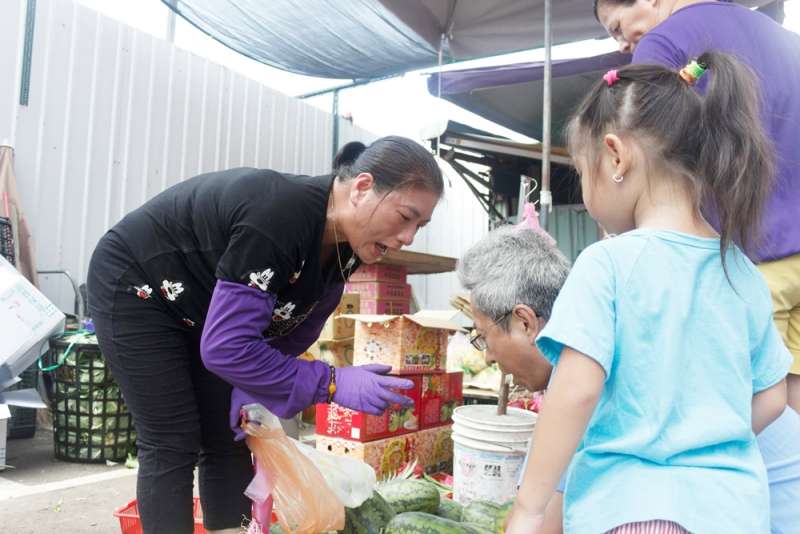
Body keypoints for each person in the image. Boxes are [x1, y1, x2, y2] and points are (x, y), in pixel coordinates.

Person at [488, 52, 791, 533]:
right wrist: (709, 444)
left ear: (615, 156)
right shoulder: (743, 271)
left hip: (632, 510)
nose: (586, 195)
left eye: (583, 173)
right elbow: (773, 397)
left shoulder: (606, 263)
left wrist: (528, 507)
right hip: (735, 513)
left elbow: (576, 390)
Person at [86, 136, 444, 534]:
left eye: (420, 226)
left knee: (228, 434)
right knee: (172, 438)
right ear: (361, 188)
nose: (408, 237)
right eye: (405, 216)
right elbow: (226, 348)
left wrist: (254, 385)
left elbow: (293, 323)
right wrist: (328, 382)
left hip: (201, 308)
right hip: (139, 286)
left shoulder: (346, 247)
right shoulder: (281, 216)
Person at [593, 0, 800, 419]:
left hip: (750, 263)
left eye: (616, 27)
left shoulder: (663, 44)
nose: (619, 45)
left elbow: (644, 164)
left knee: (742, 422)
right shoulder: (783, 38)